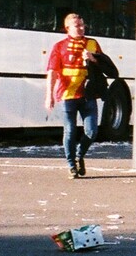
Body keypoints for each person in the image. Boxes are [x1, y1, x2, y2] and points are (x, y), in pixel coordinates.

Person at [45, 13, 105, 178]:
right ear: (68, 28)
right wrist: (49, 95)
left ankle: (79, 155)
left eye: (82, 25)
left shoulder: (92, 43)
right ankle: (72, 165)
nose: (81, 28)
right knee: (70, 132)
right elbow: (52, 72)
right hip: (67, 95)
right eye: (77, 26)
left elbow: (105, 66)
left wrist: (93, 59)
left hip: (88, 94)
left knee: (92, 131)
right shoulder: (59, 46)